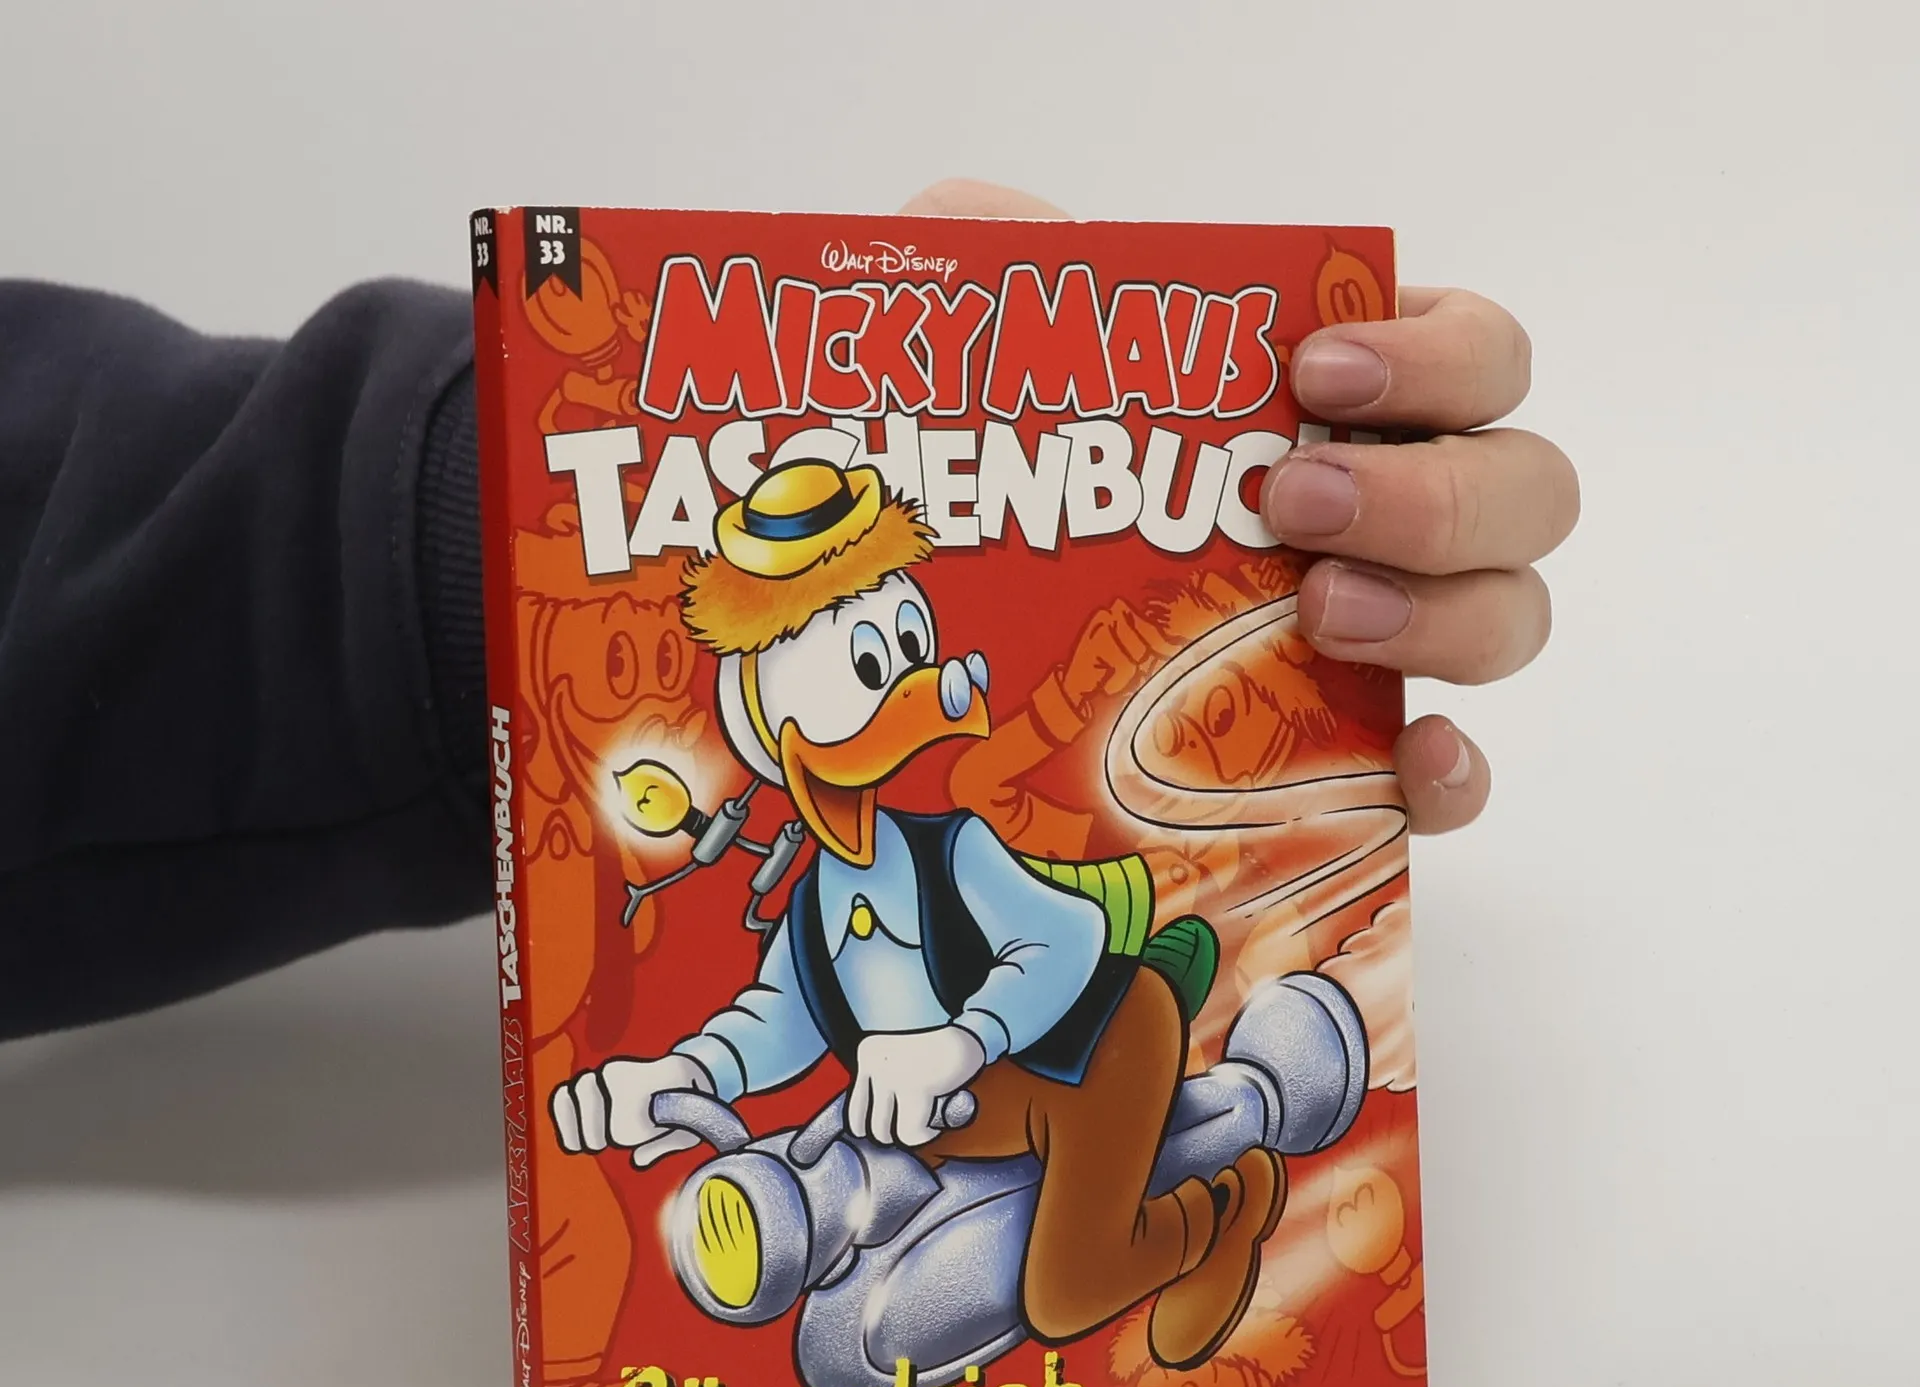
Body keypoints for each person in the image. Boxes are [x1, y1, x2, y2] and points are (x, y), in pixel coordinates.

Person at [0, 180, 1578, 1045]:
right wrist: (679, 1081)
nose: (920, 680)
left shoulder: (955, 849)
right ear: (762, 709)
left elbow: (1047, 957)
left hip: (1105, 1052)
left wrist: (556, 499)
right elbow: (780, 1014)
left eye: (901, 644)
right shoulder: (823, 882)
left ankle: (1237, 1144)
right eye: (868, 654)